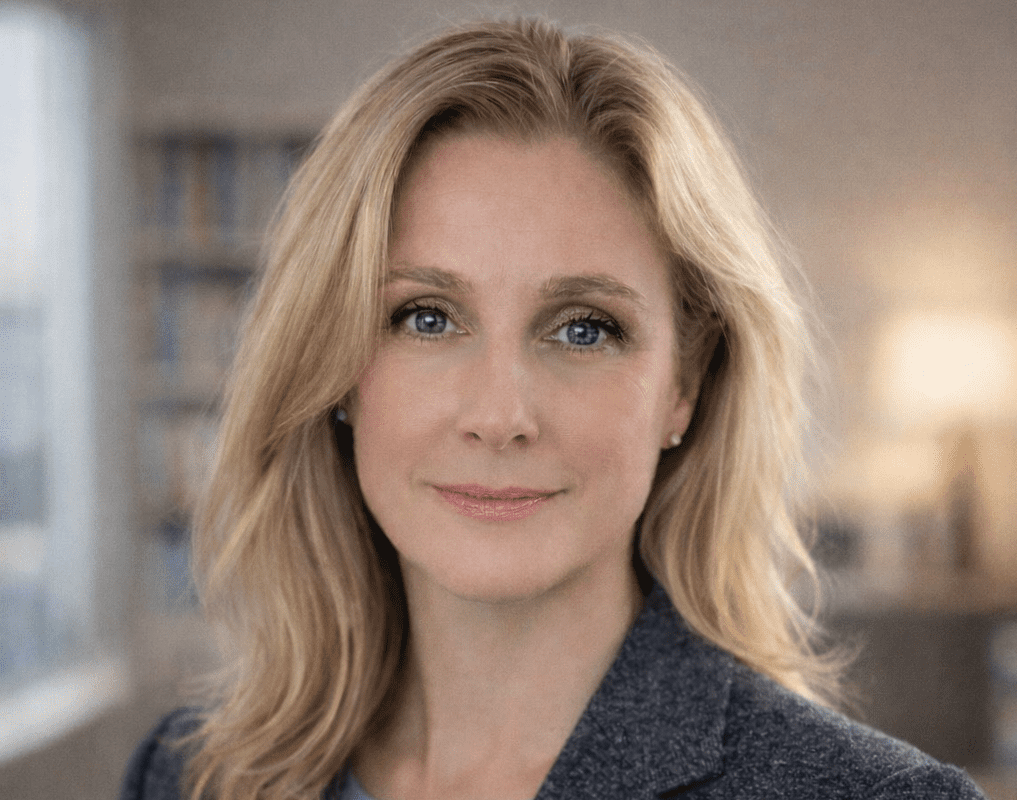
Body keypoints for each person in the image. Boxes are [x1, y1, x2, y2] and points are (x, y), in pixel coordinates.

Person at [121, 17, 987, 800]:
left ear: (684, 387)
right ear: (337, 367)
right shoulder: (188, 777)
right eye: (426, 318)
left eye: (583, 329)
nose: (500, 416)